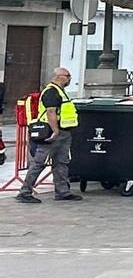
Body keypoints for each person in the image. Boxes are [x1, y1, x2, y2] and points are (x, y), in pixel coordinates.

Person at [16, 66, 79, 204]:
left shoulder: (60, 92)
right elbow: (51, 112)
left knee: (61, 162)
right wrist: (55, 130)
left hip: (64, 132)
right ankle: (25, 192)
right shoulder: (51, 92)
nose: (69, 79)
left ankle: (62, 192)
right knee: (39, 163)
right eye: (68, 76)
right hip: (52, 133)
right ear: (59, 76)